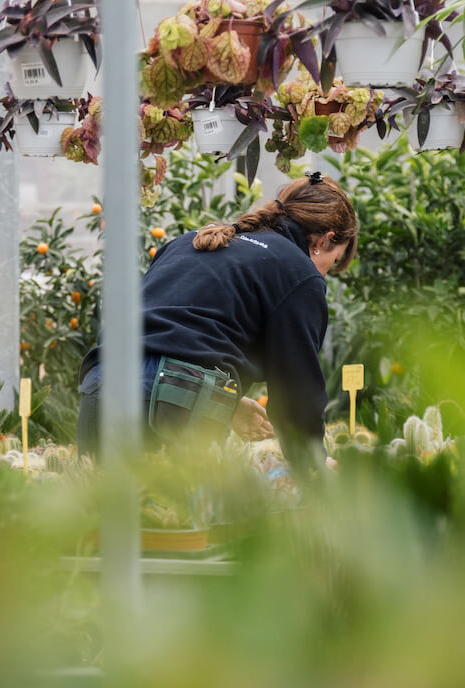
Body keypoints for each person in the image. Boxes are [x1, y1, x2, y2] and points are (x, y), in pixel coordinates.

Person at [76, 171, 357, 474]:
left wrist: (228, 403)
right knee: (181, 518)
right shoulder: (298, 272)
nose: (327, 272)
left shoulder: (189, 242)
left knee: (106, 516)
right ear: (325, 240)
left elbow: (171, 336)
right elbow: (296, 389)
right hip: (172, 401)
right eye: (336, 260)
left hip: (101, 383)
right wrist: (313, 463)